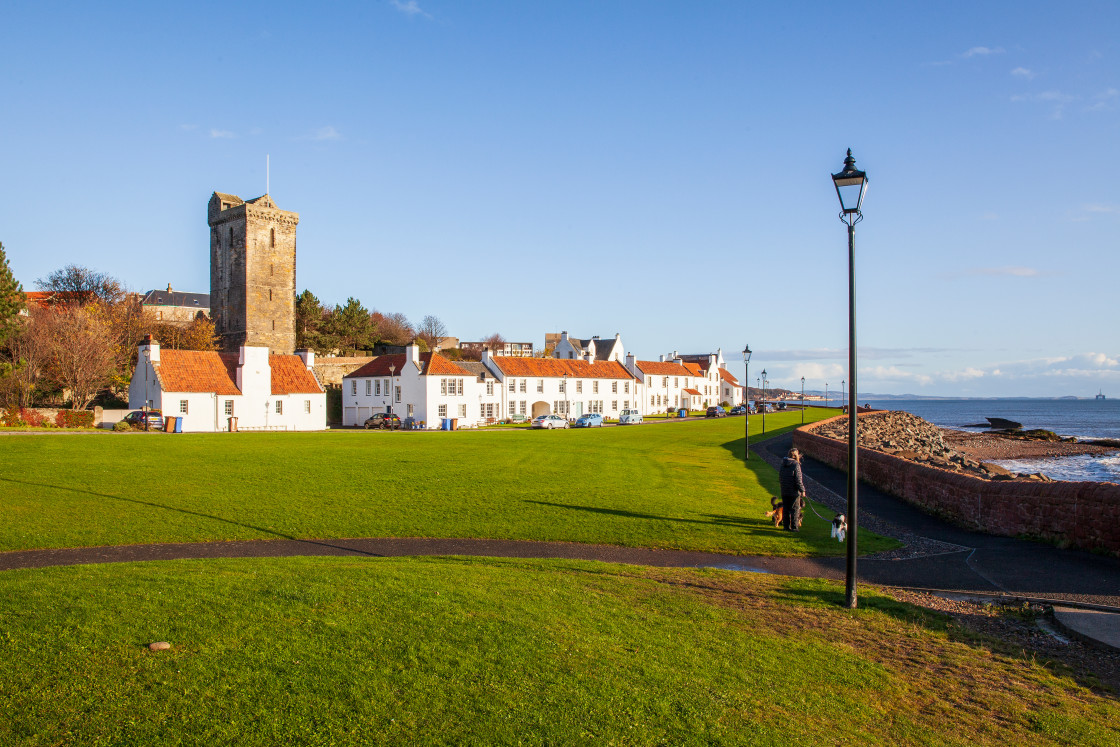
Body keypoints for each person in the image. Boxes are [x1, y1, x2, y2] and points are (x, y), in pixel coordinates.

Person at [778, 448, 806, 531]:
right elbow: (798, 479)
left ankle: (786, 527)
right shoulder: (795, 464)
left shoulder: (783, 463)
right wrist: (802, 490)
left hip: (784, 490)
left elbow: (780, 477)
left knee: (786, 509)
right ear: (796, 456)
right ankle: (794, 527)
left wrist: (783, 486)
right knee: (795, 509)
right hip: (794, 491)